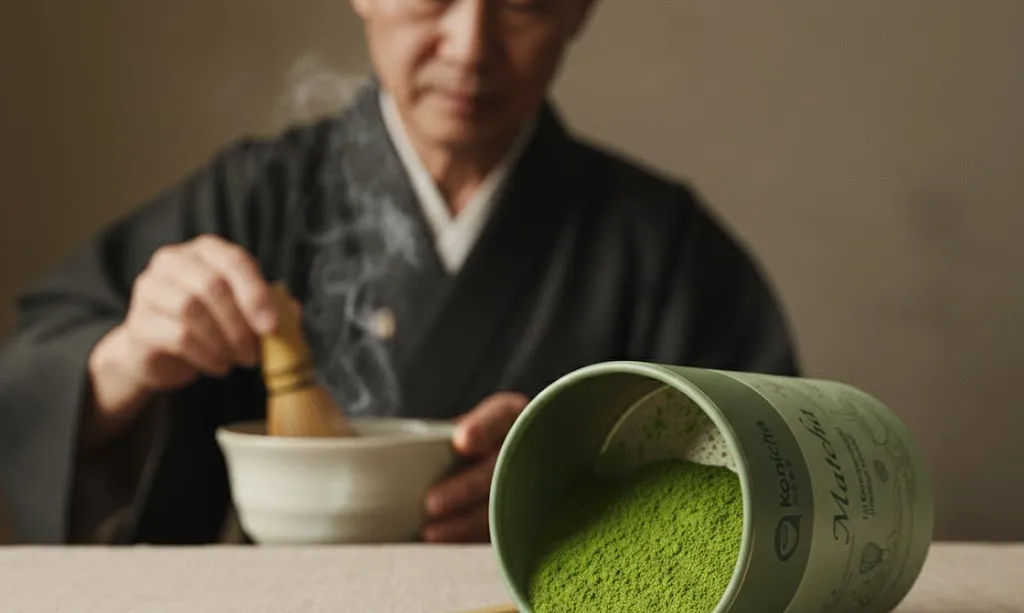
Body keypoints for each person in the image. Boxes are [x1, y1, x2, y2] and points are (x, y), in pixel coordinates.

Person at [0, 0, 800, 546]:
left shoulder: (656, 241)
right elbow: (40, 376)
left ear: (579, 10)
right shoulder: (259, 195)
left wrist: (592, 489)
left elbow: (775, 471)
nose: (469, 47)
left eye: (522, 2)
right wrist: (124, 362)